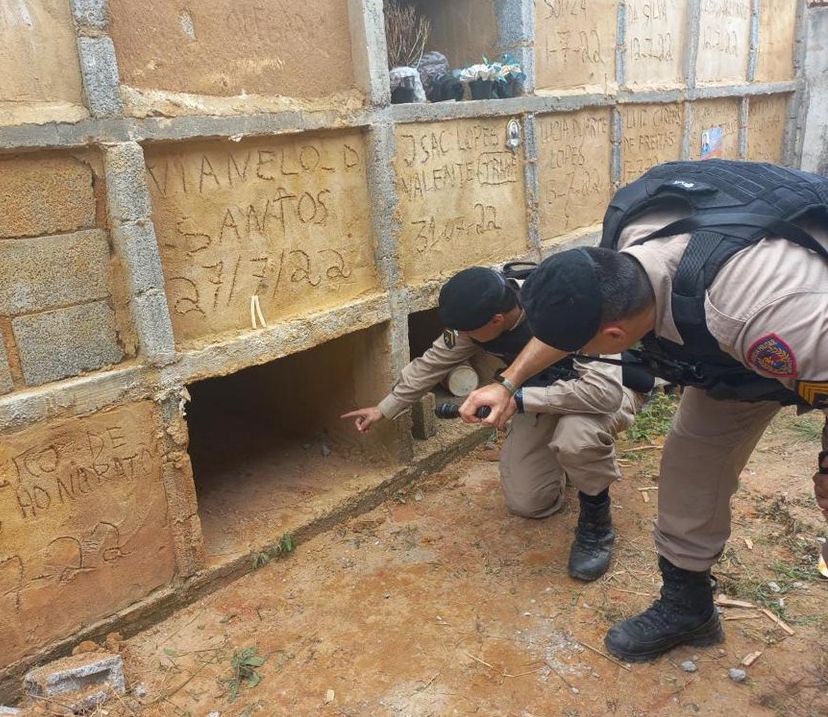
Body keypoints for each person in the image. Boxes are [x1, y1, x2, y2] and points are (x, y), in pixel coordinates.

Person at [459, 159, 828, 662]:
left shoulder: (761, 315)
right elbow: (575, 322)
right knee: (690, 463)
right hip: (736, 350)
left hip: (803, 320)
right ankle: (687, 607)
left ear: (615, 337)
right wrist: (509, 382)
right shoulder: (626, 249)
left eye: (583, 348)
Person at [342, 265, 651, 581]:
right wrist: (384, 408)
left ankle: (596, 523)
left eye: (467, 332)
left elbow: (604, 394)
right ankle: (570, 464)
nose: (462, 337)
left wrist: (518, 400)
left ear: (497, 320)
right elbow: (431, 364)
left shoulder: (567, 307)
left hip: (607, 391)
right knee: (528, 502)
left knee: (576, 437)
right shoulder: (479, 315)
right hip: (542, 394)